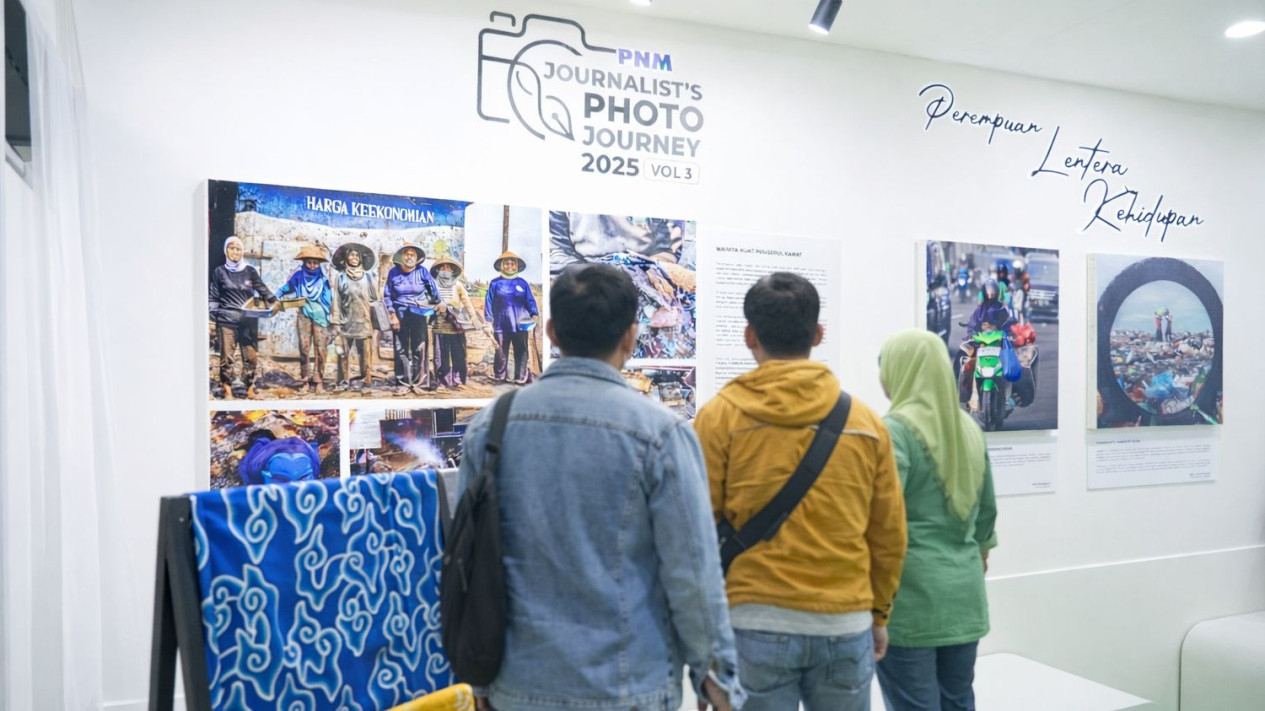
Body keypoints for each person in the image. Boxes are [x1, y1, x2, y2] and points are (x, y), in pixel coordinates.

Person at [457, 264, 744, 711]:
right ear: (631, 336)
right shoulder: (662, 434)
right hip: (628, 685)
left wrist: (479, 683)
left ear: (550, 331)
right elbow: (692, 570)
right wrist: (715, 676)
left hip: (517, 683)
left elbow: (469, 558)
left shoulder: (488, 428)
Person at [694, 272, 907, 711]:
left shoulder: (719, 418)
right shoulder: (866, 424)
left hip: (751, 621)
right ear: (818, 334)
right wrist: (879, 615)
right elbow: (888, 535)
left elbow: (695, 530)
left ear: (749, 335)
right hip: (844, 621)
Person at [876, 329, 998, 711]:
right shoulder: (970, 429)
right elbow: (987, 518)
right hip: (964, 598)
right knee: (958, 702)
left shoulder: (894, 431)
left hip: (910, 603)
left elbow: (880, 520)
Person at [209, 236, 277, 399]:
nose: (235, 252)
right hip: (226, 320)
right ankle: (227, 389)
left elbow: (262, 288)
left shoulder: (250, 271)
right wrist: (212, 319)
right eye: (232, 248)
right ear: (226, 250)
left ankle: (249, 388)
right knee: (227, 358)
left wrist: (275, 301)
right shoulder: (219, 272)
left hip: (248, 320)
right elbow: (214, 295)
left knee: (251, 357)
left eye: (238, 249)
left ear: (242, 252)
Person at [274, 244, 333, 394]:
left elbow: (329, 300)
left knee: (321, 350)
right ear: (304, 262)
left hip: (321, 318)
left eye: (315, 262)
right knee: (304, 349)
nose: (312, 266)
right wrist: (275, 297)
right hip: (304, 315)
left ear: (319, 264)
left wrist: (329, 316)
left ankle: (318, 381)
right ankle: (305, 380)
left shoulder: (324, 280)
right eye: (309, 262)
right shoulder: (298, 276)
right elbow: (285, 288)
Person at [383, 243, 441, 393]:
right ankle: (402, 383)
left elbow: (434, 293)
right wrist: (392, 314)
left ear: (417, 258)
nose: (409, 257)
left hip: (419, 314)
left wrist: (429, 307)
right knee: (400, 348)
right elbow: (387, 295)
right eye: (406, 254)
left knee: (419, 348)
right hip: (400, 313)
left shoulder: (423, 272)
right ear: (401, 256)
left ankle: (420, 383)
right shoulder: (393, 273)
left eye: (412, 254)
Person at [548, 211, 677, 273]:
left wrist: (648, 277)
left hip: (646, 278)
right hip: (584, 284)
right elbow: (558, 251)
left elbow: (669, 250)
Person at [429, 257, 485, 389]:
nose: (446, 270)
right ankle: (442, 381)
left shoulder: (458, 285)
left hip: (457, 325)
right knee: (441, 356)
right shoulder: (432, 285)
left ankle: (458, 380)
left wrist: (473, 317)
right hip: (440, 326)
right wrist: (436, 306)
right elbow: (427, 301)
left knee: (459, 354)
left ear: (453, 270)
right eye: (443, 267)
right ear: (438, 270)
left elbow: (466, 302)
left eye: (449, 267)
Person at [329, 242, 379, 390]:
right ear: (346, 258)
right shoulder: (341, 277)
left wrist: (375, 321)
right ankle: (343, 383)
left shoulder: (369, 277)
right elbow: (337, 300)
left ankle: (366, 382)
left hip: (364, 322)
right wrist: (336, 322)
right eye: (351, 255)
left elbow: (375, 299)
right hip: (346, 322)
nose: (354, 257)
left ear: (361, 259)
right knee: (343, 354)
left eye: (357, 255)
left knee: (365, 356)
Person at [485, 251, 539, 384]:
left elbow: (530, 301)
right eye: (507, 263)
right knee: (501, 351)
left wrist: (535, 314)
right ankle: (499, 377)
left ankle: (520, 377)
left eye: (512, 264)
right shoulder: (495, 283)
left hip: (521, 323)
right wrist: (488, 320)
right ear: (502, 265)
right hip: (501, 323)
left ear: (517, 266)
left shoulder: (523, 283)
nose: (509, 266)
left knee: (521, 350)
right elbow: (489, 302)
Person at [959, 279, 1016, 405]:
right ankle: (963, 390)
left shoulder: (1001, 309)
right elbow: (972, 325)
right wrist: (971, 335)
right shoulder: (979, 310)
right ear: (984, 292)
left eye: (993, 291)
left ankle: (1011, 395)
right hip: (981, 344)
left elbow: (1007, 326)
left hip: (997, 344)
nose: (990, 294)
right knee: (963, 360)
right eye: (988, 292)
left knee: (1011, 363)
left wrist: (1009, 335)